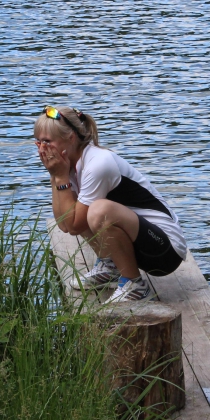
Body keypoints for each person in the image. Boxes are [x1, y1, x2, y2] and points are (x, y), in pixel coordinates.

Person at [35, 105, 187, 302]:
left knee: (98, 211)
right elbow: (64, 224)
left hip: (165, 251)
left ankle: (135, 285)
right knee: (82, 209)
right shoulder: (69, 165)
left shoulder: (98, 164)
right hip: (142, 243)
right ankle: (110, 266)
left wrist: (61, 177)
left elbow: (74, 225)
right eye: (38, 141)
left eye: (47, 141)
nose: (41, 148)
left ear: (71, 138)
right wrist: (56, 176)